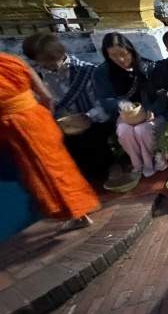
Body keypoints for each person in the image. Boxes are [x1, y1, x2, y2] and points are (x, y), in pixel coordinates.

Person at [0, 53, 99, 231]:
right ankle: (82, 206)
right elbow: (47, 97)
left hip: (17, 129)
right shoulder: (11, 60)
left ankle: (76, 214)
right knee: (62, 166)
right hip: (38, 118)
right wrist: (44, 115)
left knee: (44, 172)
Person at [22, 32, 113, 180]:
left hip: (92, 124)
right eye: (41, 62)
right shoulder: (37, 77)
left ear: (60, 53)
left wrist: (88, 117)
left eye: (50, 60)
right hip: (59, 126)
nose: (46, 66)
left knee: (90, 146)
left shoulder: (88, 71)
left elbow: (106, 105)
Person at [94, 33, 159, 178]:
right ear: (107, 55)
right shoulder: (102, 73)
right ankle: (138, 164)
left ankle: (150, 163)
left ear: (130, 50)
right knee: (124, 131)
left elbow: (159, 93)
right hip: (125, 115)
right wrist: (120, 103)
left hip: (148, 113)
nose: (121, 59)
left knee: (142, 131)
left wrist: (151, 109)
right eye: (114, 56)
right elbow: (105, 99)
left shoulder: (147, 66)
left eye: (124, 54)